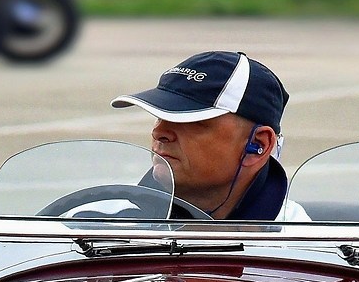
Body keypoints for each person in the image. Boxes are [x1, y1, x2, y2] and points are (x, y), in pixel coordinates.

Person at [111, 51, 307, 221]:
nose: (159, 132)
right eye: (159, 116)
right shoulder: (102, 221)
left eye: (190, 120)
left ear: (258, 144)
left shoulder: (299, 246)